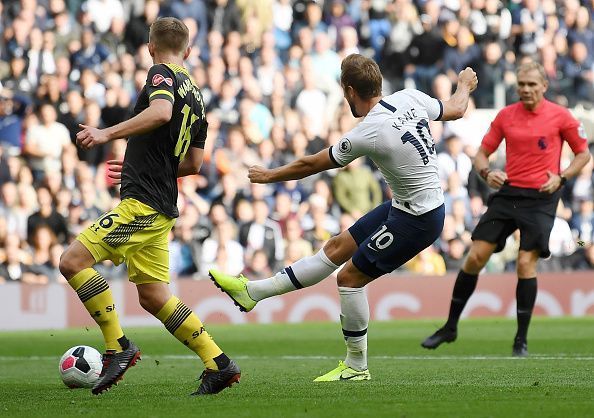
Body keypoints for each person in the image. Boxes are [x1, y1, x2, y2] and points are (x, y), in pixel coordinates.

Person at [210, 53, 478, 381]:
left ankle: (356, 366)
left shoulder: (368, 131)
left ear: (349, 91)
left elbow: (311, 164)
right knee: (337, 247)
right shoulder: (410, 97)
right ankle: (252, 292)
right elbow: (455, 108)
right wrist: (464, 84)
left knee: (349, 278)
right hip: (407, 206)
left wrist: (269, 176)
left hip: (418, 218)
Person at [58, 17, 240, 396]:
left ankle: (118, 347)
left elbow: (159, 114)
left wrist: (105, 132)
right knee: (153, 295)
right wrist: (143, 162)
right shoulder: (199, 97)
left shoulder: (161, 73)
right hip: (160, 203)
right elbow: (192, 164)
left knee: (72, 261)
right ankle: (218, 363)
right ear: (188, 51)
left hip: (143, 205)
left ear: (150, 48)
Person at [421, 61, 592, 357]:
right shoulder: (506, 116)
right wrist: (487, 173)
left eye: (531, 85)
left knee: (526, 263)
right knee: (475, 257)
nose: (525, 89)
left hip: (542, 196)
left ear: (544, 87)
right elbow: (481, 155)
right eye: (521, 85)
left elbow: (583, 154)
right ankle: (450, 327)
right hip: (508, 193)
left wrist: (562, 177)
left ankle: (520, 340)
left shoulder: (560, 117)